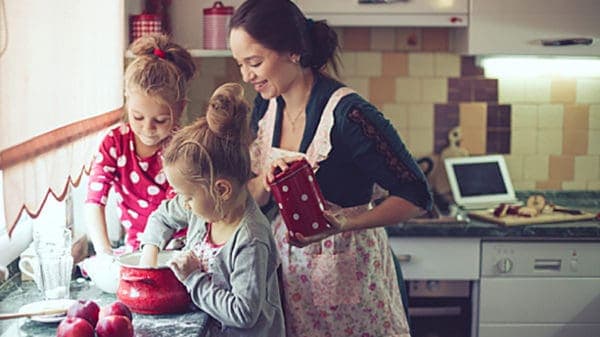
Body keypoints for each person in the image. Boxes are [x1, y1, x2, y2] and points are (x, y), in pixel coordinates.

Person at [229, 0, 433, 336]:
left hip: (349, 274)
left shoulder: (349, 115)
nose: (246, 75)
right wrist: (265, 184)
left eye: (254, 62)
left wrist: (341, 223)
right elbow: (256, 195)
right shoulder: (266, 107)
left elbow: (416, 196)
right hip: (292, 277)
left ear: (293, 51)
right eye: (240, 64)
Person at [138, 83, 286, 337]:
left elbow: (243, 313)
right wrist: (149, 256)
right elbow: (162, 216)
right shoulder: (203, 209)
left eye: (187, 196)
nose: (183, 203)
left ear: (221, 190)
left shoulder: (250, 239)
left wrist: (194, 278)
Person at [85, 34, 196, 255]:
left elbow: (173, 212)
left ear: (180, 108)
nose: (148, 129)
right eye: (137, 117)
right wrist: (104, 252)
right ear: (127, 101)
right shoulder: (114, 143)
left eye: (160, 120)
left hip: (181, 250)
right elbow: (94, 202)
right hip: (136, 250)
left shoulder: (183, 147)